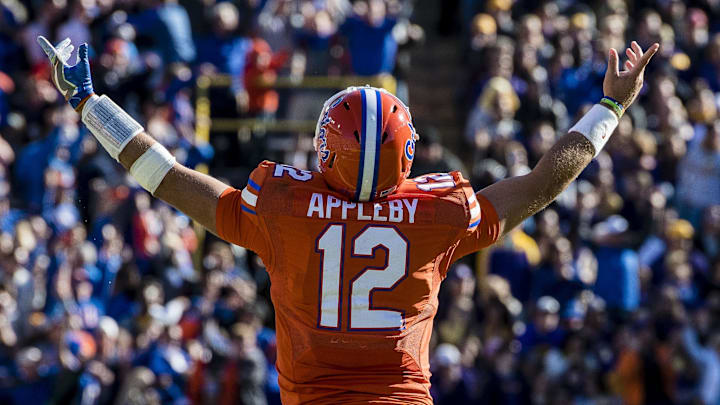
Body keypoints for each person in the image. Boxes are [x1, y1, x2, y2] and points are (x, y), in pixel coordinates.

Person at [35, 34, 658, 404]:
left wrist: (90, 103)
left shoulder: (283, 207)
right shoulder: (438, 212)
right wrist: (609, 105)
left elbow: (166, 176)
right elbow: (547, 179)